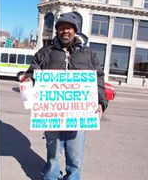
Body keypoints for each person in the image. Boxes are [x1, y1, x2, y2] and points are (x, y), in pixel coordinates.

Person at [23, 12, 108, 180]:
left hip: (79, 115)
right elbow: (32, 72)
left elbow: (98, 78)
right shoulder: (46, 52)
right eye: (61, 28)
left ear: (75, 31)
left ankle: (73, 177)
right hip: (52, 114)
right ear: (57, 31)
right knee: (53, 153)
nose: (65, 31)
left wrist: (101, 102)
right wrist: (27, 81)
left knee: (75, 155)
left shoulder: (88, 54)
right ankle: (51, 177)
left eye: (68, 28)